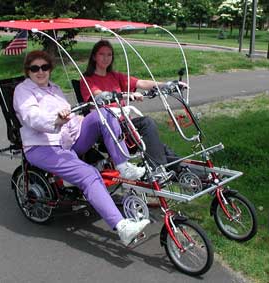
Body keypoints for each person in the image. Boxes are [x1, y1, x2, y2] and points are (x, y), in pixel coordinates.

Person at [13, 50, 150, 246]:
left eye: (45, 67)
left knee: (104, 113)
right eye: (34, 68)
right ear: (28, 71)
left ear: (50, 69)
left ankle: (123, 164)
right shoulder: (23, 91)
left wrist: (81, 120)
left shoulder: (55, 88)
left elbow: (72, 117)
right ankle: (122, 227)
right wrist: (56, 119)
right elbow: (32, 116)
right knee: (89, 173)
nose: (40, 71)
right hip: (42, 146)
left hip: (68, 141)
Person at [80, 40, 184, 168]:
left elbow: (141, 83)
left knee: (158, 148)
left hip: (125, 125)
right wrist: (125, 95)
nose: (106, 58)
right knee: (147, 123)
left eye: (109, 54)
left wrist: (166, 85)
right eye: (102, 54)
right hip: (107, 127)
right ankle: (158, 169)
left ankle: (188, 174)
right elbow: (99, 95)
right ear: (94, 57)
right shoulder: (87, 80)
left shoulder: (115, 76)